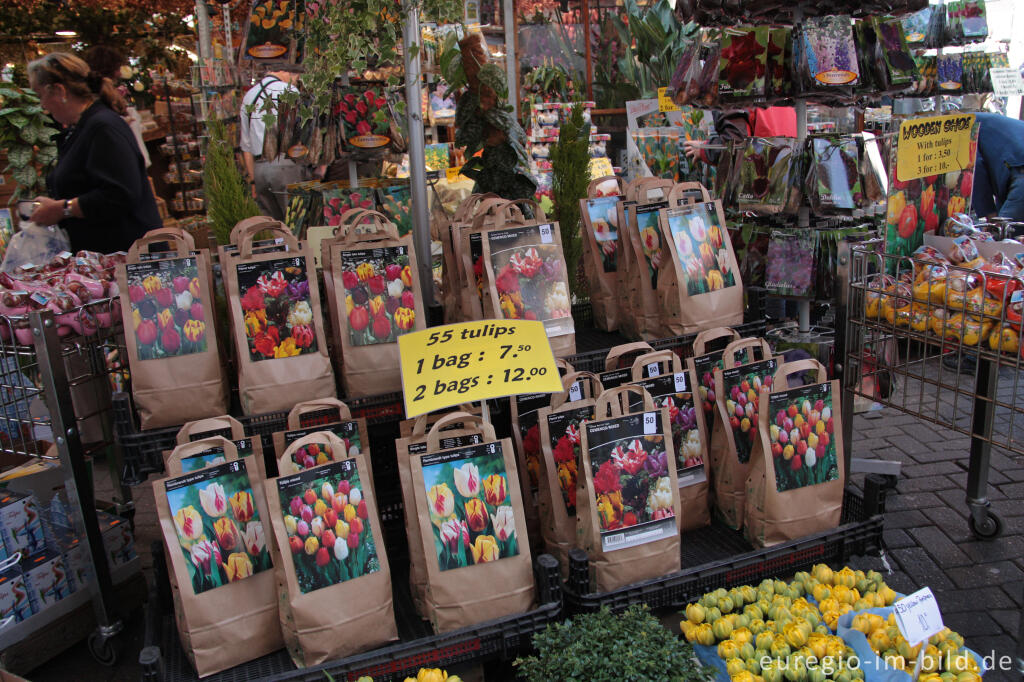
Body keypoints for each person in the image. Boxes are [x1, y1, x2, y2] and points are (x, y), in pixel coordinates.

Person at [27, 52, 160, 253]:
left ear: (60, 91)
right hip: (108, 258)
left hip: (128, 260)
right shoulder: (84, 127)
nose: (42, 105)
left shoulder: (102, 127)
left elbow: (120, 194)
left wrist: (63, 208)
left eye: (40, 96)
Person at [239, 64, 306, 221]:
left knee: (273, 226)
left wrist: (253, 179)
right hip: (285, 165)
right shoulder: (289, 91)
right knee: (296, 222)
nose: (297, 80)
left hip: (260, 169)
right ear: (284, 70)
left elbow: (246, 145)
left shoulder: (250, 95)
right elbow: (299, 133)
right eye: (296, 75)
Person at [82, 45, 151, 168]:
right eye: (118, 68)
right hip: (126, 166)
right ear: (112, 70)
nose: (120, 73)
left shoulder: (92, 105)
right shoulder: (105, 106)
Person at [971, 112, 1024, 220]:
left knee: (1003, 231)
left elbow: (975, 173)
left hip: (1019, 172)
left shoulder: (962, 127)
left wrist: (988, 213)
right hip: (1014, 171)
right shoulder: (990, 122)